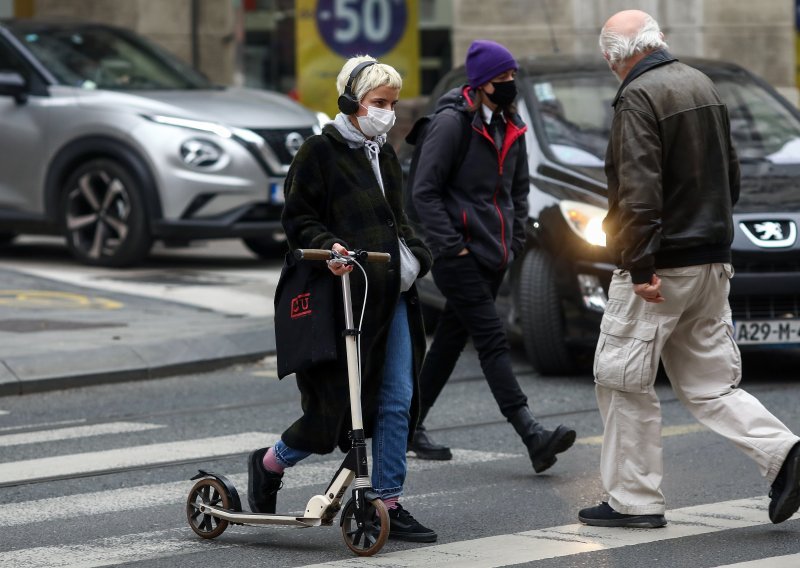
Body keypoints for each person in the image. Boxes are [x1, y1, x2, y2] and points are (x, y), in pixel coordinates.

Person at [578, 9, 800, 528]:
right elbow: (731, 173)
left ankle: (633, 502)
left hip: (661, 266)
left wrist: (636, 265)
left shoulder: (639, 95)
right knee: (711, 384)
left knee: (623, 380)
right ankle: (788, 454)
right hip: (710, 259)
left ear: (617, 56)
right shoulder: (701, 83)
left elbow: (638, 190)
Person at [247, 55, 437, 543]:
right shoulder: (319, 152)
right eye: (379, 103)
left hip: (390, 293)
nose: (388, 113)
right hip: (342, 299)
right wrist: (327, 247)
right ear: (352, 102)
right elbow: (298, 219)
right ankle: (269, 463)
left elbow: (401, 219)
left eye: (392, 104)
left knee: (397, 399)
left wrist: (416, 255)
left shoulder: (385, 152)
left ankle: (385, 502)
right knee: (331, 411)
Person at [408, 39, 577, 472]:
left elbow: (517, 190)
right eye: (502, 79)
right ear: (482, 84)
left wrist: (515, 239)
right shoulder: (452, 125)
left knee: (448, 341)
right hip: (458, 257)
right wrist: (454, 246)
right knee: (492, 339)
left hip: (494, 254)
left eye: (512, 77)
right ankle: (532, 434)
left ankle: (407, 425)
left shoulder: (510, 123)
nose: (509, 85)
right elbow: (423, 192)